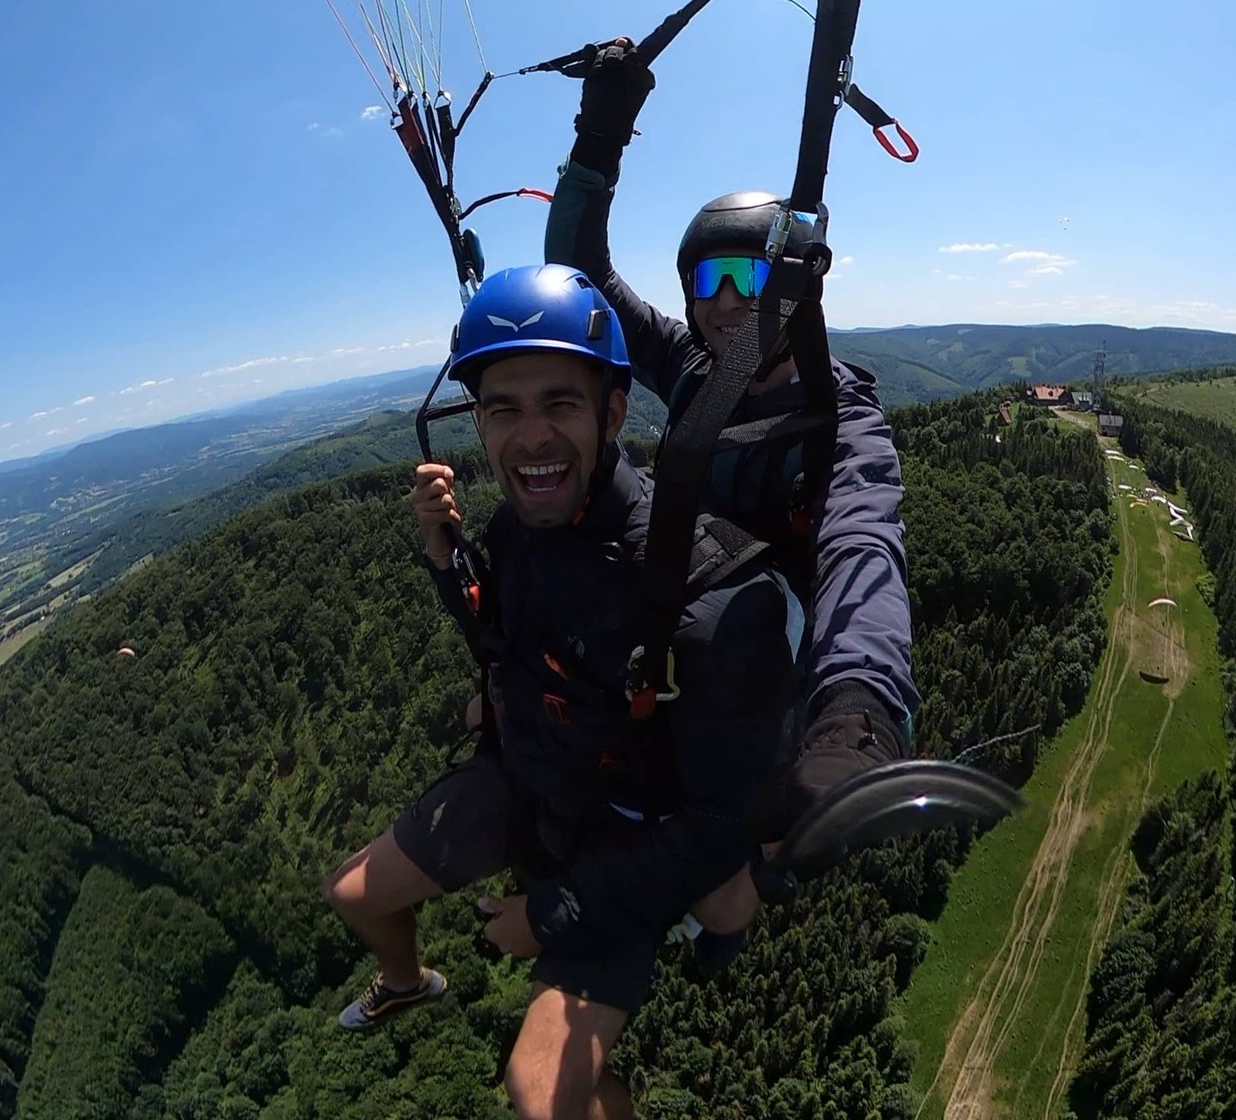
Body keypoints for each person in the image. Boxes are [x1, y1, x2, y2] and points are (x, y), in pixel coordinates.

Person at [322, 264, 798, 1120]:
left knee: (541, 1095)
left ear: (613, 414)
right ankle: (408, 982)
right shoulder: (514, 526)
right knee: (352, 894)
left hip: (629, 833)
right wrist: (446, 561)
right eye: (502, 409)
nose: (530, 437)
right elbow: (503, 640)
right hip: (542, 771)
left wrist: (549, 915)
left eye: (559, 404)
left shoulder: (706, 591)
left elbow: (712, 830)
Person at [543, 41, 919, 841]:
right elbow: (583, 275)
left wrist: (860, 704)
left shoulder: (837, 417)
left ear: (790, 287)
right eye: (704, 282)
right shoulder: (689, 366)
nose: (721, 303)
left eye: (745, 279)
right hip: (673, 617)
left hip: (757, 650)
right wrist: (599, 140)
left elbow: (864, 544)